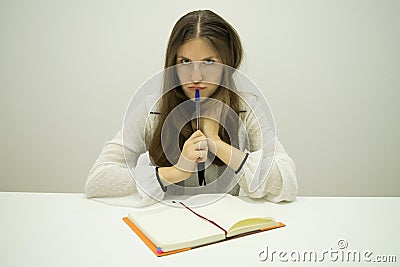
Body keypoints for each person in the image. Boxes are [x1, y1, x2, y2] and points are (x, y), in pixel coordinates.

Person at [84, 10, 298, 207]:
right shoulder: (151, 109)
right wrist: (175, 172)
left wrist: (216, 142)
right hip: (168, 226)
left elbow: (287, 183)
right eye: (185, 61)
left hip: (226, 231)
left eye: (208, 62)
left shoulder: (246, 109)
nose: (196, 77)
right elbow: (98, 180)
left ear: (227, 64)